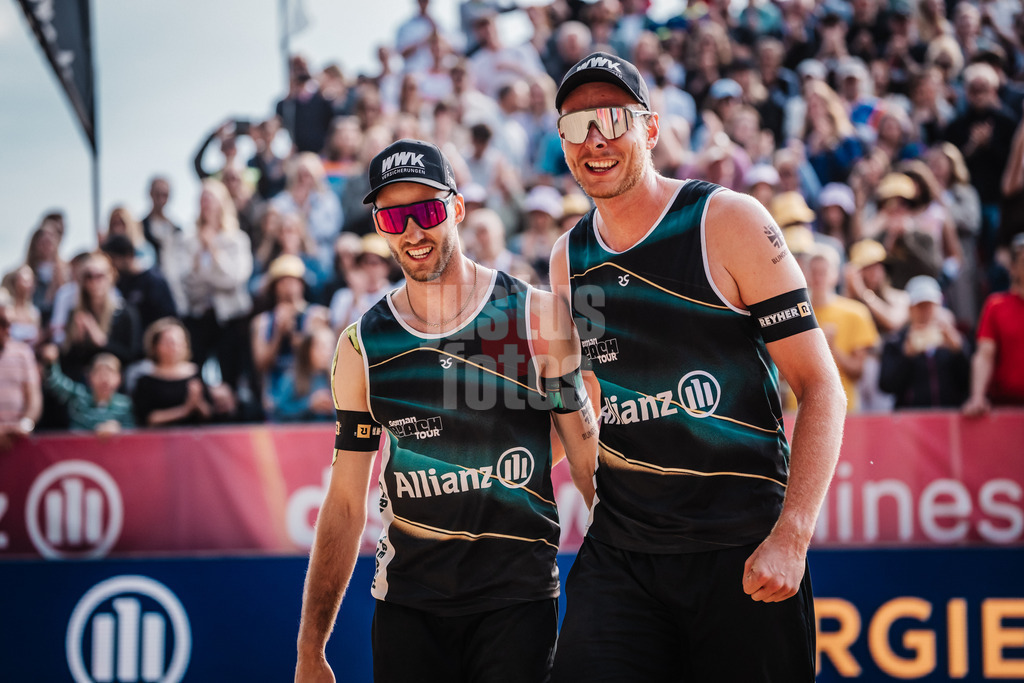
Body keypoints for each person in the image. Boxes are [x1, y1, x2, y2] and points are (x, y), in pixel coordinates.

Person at [548, 52, 846, 681]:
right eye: (575, 126)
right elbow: (589, 401)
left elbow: (822, 389)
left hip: (740, 546)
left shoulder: (727, 220)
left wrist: (791, 537)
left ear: (651, 129)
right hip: (623, 552)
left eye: (611, 119)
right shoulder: (567, 257)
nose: (594, 140)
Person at [294, 139, 598, 682]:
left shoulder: (535, 315)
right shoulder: (361, 346)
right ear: (380, 227)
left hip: (516, 599)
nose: (412, 232)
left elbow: (586, 459)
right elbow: (343, 505)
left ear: (456, 210)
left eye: (427, 212)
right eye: (394, 217)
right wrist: (310, 648)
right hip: (410, 607)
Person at [879, 275, 971, 409]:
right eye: (920, 306)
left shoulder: (954, 339)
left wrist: (959, 351)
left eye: (930, 305)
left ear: (939, 305)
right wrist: (906, 357)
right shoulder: (895, 342)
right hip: (910, 423)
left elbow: (968, 383)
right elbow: (886, 386)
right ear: (910, 308)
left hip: (949, 421)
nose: (925, 311)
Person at [131, 317, 234, 427]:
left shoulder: (195, 374)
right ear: (155, 346)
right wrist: (184, 410)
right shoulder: (146, 379)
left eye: (178, 342)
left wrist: (198, 402)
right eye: (169, 342)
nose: (174, 347)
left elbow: (209, 415)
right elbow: (147, 418)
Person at [963, 234, 1024, 414]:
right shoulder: (996, 305)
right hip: (1005, 409)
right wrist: (977, 397)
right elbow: (985, 354)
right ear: (1013, 268)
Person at [39, 344, 134, 434]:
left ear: (119, 378)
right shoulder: (78, 397)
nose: (105, 378)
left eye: (110, 372)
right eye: (99, 372)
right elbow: (55, 382)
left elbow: (132, 435)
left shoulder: (125, 405)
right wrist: (50, 362)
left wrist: (118, 429)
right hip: (78, 449)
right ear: (90, 377)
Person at [100, 235, 177, 333]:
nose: (111, 265)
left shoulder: (154, 281)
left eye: (113, 259)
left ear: (128, 255)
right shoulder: (119, 282)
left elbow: (168, 318)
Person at [0, 293, 41, 450]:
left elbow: (34, 397)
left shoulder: (23, 352)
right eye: (3, 323)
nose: (8, 330)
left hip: (18, 442)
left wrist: (25, 424)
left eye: (11, 324)